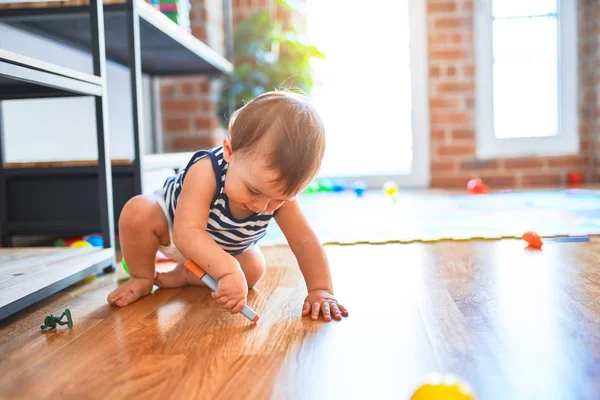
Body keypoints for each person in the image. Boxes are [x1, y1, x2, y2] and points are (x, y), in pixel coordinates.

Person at [107, 90, 348, 322]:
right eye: (253, 190)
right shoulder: (206, 170)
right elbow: (186, 233)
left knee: (253, 269)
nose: (261, 206)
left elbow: (303, 241)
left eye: (279, 199)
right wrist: (228, 271)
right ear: (230, 151)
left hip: (221, 249)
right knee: (137, 212)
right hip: (172, 229)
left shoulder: (275, 196)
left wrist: (321, 289)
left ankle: (185, 275)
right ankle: (142, 277)